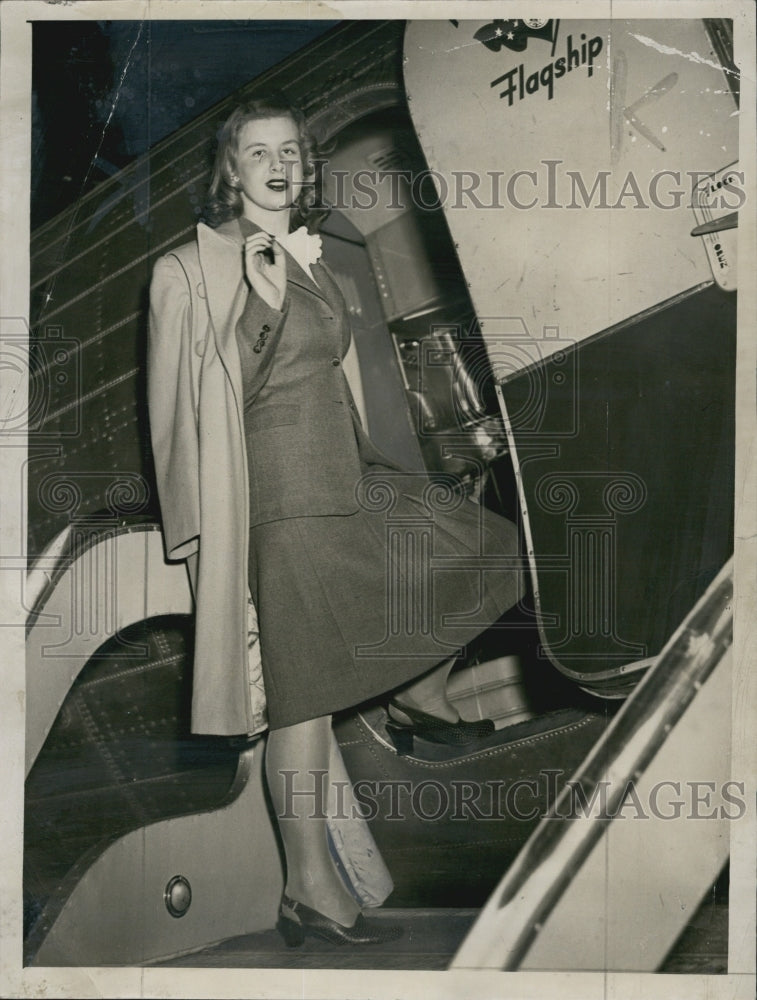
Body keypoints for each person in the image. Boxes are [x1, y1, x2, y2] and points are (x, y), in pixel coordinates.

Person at [148, 94, 523, 947]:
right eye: (257, 153)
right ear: (229, 170)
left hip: (350, 479)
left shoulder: (313, 255)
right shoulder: (191, 268)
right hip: (282, 505)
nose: (278, 165)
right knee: (304, 709)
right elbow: (194, 412)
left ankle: (415, 695)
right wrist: (263, 304)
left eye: (290, 150)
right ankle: (311, 887)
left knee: (489, 547)